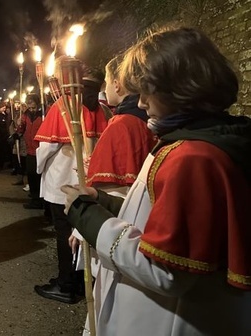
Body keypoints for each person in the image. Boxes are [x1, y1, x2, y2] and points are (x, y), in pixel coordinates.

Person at [63, 27, 251, 335]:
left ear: (178, 89)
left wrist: (88, 218)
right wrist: (104, 202)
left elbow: (165, 268)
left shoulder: (194, 158)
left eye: (147, 91)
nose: (140, 103)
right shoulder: (194, 142)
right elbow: (161, 215)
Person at [33, 65, 109, 304]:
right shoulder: (104, 110)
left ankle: (65, 285)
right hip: (88, 182)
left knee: (64, 233)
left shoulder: (64, 107)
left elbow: (47, 148)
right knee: (82, 233)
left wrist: (38, 169)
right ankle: (79, 281)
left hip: (62, 182)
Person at [86, 55, 156, 191]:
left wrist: (90, 173)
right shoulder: (150, 117)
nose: (105, 90)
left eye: (107, 83)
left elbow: (109, 186)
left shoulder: (121, 124)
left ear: (117, 85)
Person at [15, 94, 43, 199]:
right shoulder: (26, 115)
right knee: (31, 174)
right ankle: (33, 195)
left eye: (33, 107)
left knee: (38, 175)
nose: (31, 110)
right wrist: (19, 125)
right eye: (29, 107)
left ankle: (40, 198)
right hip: (29, 149)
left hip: (40, 149)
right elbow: (21, 131)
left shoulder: (43, 114)